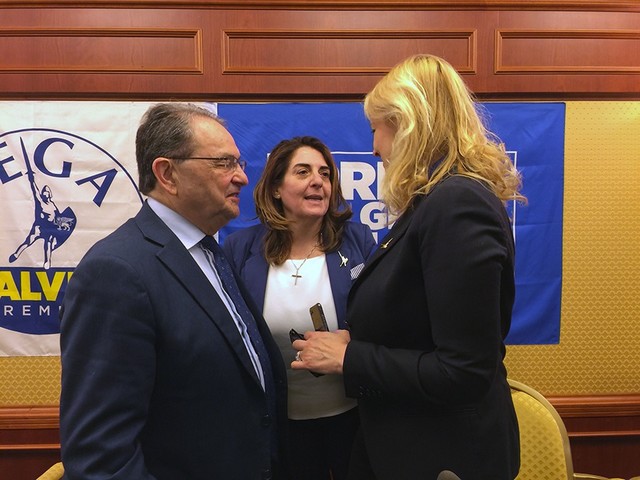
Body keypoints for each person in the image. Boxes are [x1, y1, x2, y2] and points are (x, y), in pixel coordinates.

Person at [291, 54, 524, 479]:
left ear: (406, 124)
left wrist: (351, 357)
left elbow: (463, 371)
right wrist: (360, 339)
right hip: (404, 445)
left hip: (443, 456)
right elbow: (421, 328)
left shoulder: (457, 204)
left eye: (375, 129)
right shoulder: (433, 204)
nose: (374, 148)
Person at [59, 103, 289, 480]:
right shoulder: (116, 272)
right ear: (167, 174)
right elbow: (101, 457)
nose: (242, 178)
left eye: (239, 163)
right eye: (223, 163)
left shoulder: (211, 253)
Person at [222, 136, 377, 480]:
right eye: (303, 172)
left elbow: (381, 322)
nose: (318, 181)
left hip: (352, 417)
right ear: (276, 188)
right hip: (280, 424)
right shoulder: (239, 248)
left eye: (325, 173)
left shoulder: (358, 240)